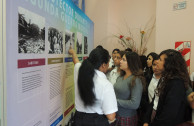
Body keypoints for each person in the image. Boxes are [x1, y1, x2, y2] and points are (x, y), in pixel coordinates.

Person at [68, 48, 118, 126]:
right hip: (96, 121)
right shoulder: (106, 84)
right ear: (103, 65)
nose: (109, 65)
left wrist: (73, 53)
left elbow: (76, 62)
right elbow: (111, 116)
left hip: (78, 119)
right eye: (108, 62)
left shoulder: (79, 71)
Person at [143, 49, 190, 126]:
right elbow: (154, 101)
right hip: (154, 116)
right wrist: (146, 121)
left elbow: (169, 115)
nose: (157, 62)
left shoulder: (176, 83)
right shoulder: (164, 77)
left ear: (169, 64)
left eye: (160, 60)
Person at [114, 51, 145, 126]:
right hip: (116, 114)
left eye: (123, 60)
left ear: (131, 62)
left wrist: (115, 101)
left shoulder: (136, 80)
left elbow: (135, 104)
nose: (120, 61)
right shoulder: (120, 77)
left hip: (126, 117)